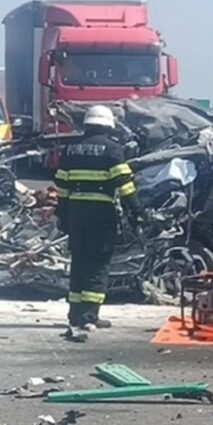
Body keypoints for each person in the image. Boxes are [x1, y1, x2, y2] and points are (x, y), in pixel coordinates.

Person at [54, 105, 140, 341]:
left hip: (75, 212)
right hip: (101, 213)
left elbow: (61, 184)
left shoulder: (70, 149)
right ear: (108, 125)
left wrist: (62, 215)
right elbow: (125, 184)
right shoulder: (113, 149)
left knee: (79, 262)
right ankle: (90, 316)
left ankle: (75, 315)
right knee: (98, 263)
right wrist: (137, 211)